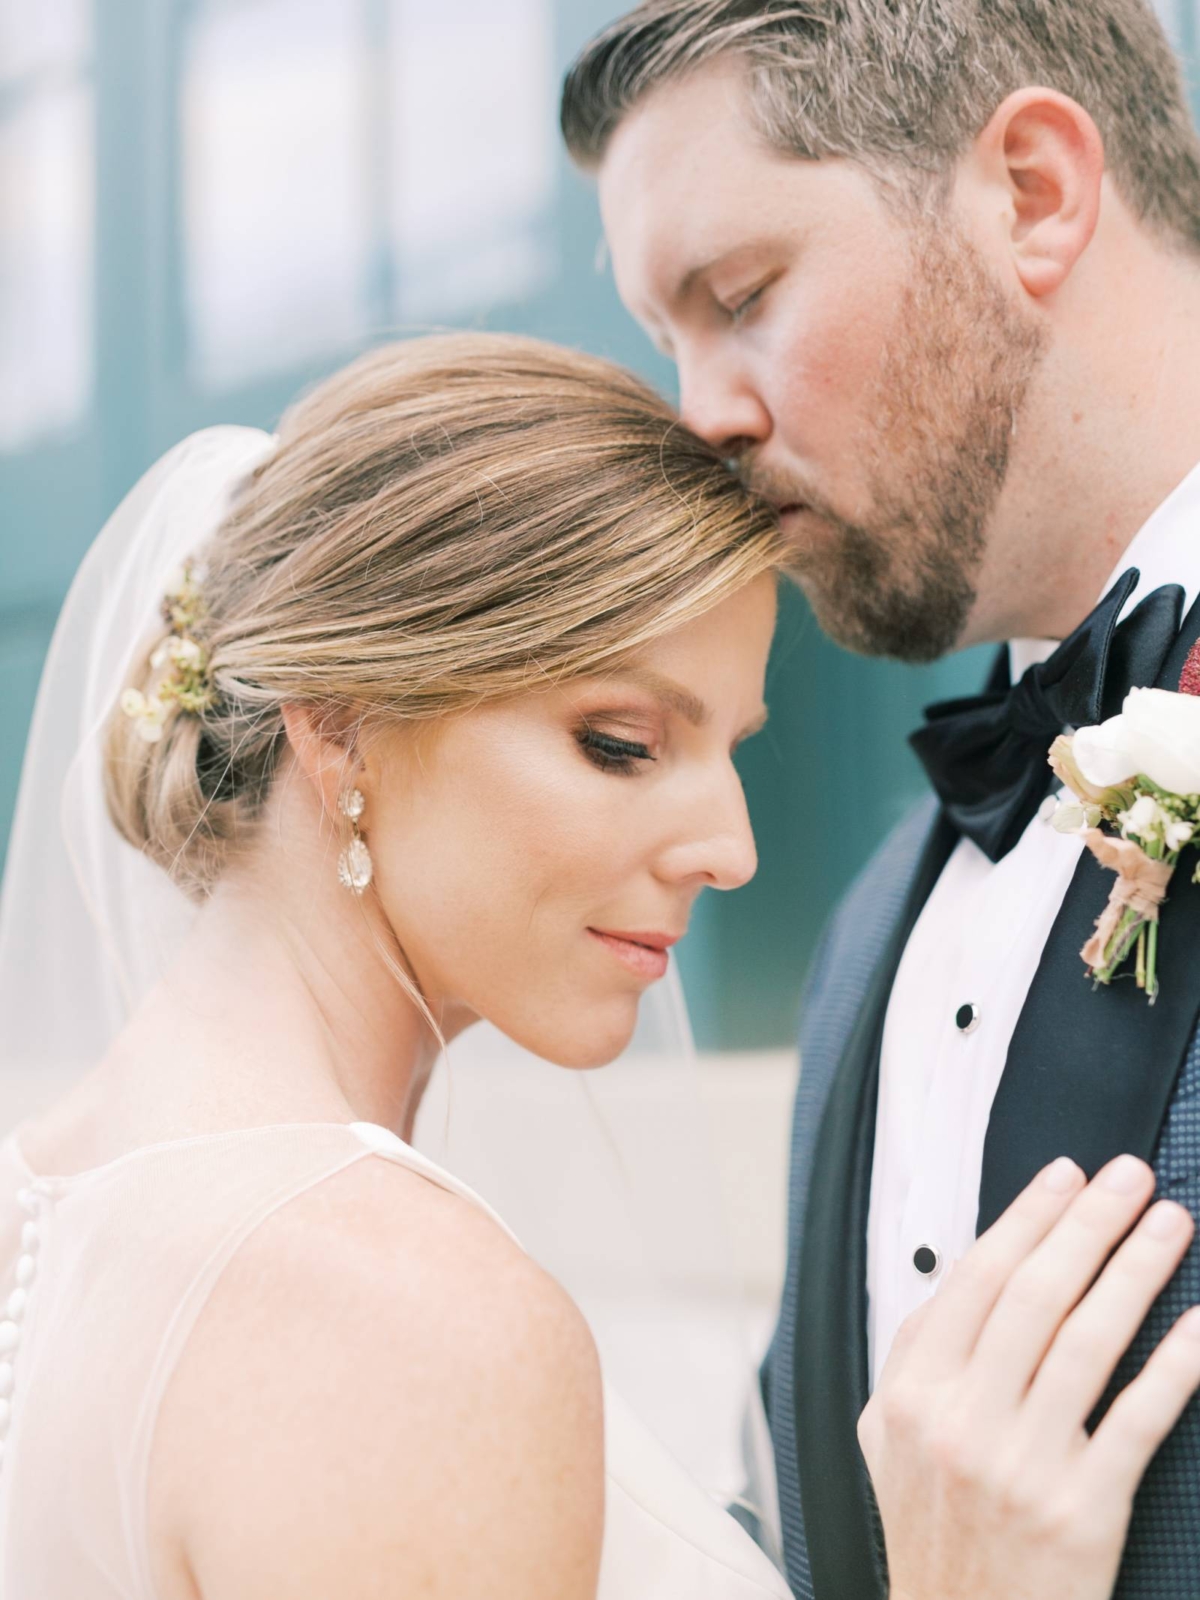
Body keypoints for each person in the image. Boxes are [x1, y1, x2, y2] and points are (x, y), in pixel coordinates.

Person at [0, 331, 1195, 1600]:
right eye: (622, 743)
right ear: (341, 727)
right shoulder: (402, 1321)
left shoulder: (49, 1199)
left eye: (735, 748)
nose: (732, 849)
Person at [560, 1, 1200, 1596]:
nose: (699, 415)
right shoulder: (869, 929)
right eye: (668, 341)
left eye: (742, 297)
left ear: (1035, 190)